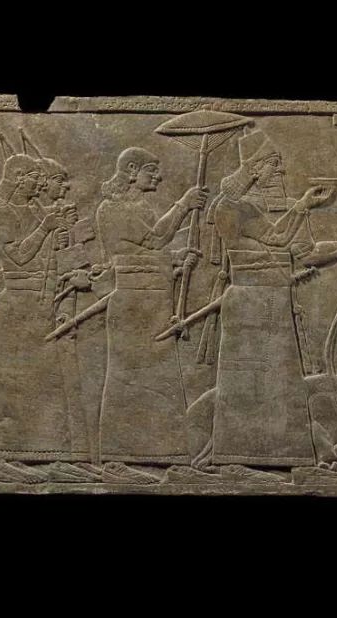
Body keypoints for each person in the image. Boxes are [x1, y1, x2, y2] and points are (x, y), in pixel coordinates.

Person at [180, 129, 337, 480]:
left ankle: (285, 455)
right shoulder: (228, 207)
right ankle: (234, 455)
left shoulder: (266, 207)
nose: (280, 171)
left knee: (284, 384)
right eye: (274, 164)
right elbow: (276, 237)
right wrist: (303, 206)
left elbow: (306, 253)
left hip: (275, 301)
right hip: (250, 305)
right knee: (249, 383)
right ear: (255, 167)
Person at [95, 147, 208, 483]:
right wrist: (184, 205)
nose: (159, 176)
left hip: (155, 302)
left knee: (162, 382)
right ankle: (118, 460)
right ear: (131, 170)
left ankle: (167, 456)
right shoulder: (111, 208)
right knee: (127, 380)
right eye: (152, 170)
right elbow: (155, 238)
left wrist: (176, 260)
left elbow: (147, 251)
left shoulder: (140, 207)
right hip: (133, 305)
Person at [0, 149, 90, 483]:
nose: (40, 185)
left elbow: (50, 258)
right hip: (17, 306)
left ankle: (52, 457)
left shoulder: (33, 209)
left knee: (48, 384)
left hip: (43, 304)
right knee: (11, 383)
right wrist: (46, 227)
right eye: (35, 179)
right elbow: (19, 257)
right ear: (17, 178)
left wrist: (67, 247)